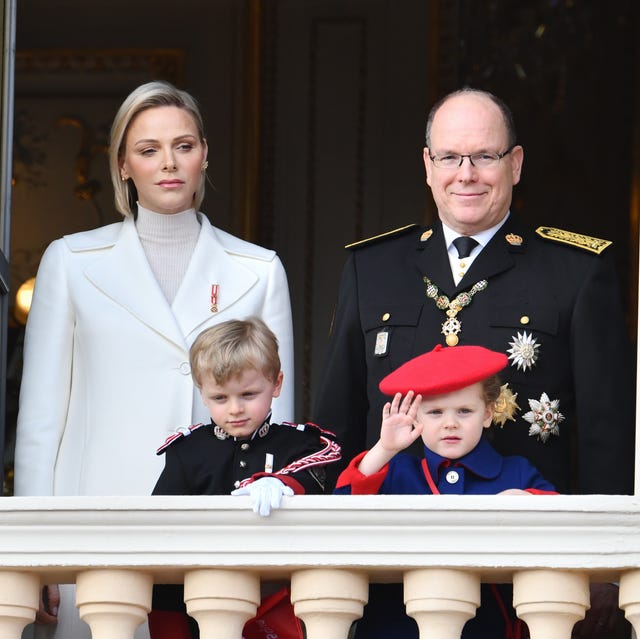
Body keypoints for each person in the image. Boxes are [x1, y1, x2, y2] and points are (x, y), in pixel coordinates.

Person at [314, 87, 634, 638]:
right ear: (427, 165)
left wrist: (604, 564)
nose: (467, 174)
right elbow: (335, 424)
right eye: (450, 157)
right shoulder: (372, 268)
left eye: (485, 157)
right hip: (386, 573)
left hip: (530, 578)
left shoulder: (576, 271)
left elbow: (607, 432)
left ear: (515, 164)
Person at [14, 81, 294, 639]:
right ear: (122, 164)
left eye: (184, 145)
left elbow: (278, 426)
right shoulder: (71, 261)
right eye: (148, 149)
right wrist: (34, 550)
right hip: (94, 525)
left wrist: (272, 548)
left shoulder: (258, 269)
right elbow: (42, 422)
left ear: (205, 154)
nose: (169, 163)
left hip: (215, 532)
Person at [336, 343, 556, 638]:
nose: (450, 423)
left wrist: (527, 500)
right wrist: (384, 449)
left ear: (488, 414)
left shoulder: (515, 472)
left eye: (464, 411)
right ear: (416, 418)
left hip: (484, 627)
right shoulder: (398, 470)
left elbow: (559, 519)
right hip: (396, 626)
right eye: (435, 412)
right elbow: (343, 509)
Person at [151, 317, 341, 639]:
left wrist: (284, 483)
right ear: (202, 392)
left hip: (281, 606)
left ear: (276, 384)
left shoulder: (300, 444)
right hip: (203, 607)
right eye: (220, 398)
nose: (235, 409)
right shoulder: (188, 451)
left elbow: (321, 478)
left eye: (249, 394)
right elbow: (162, 532)